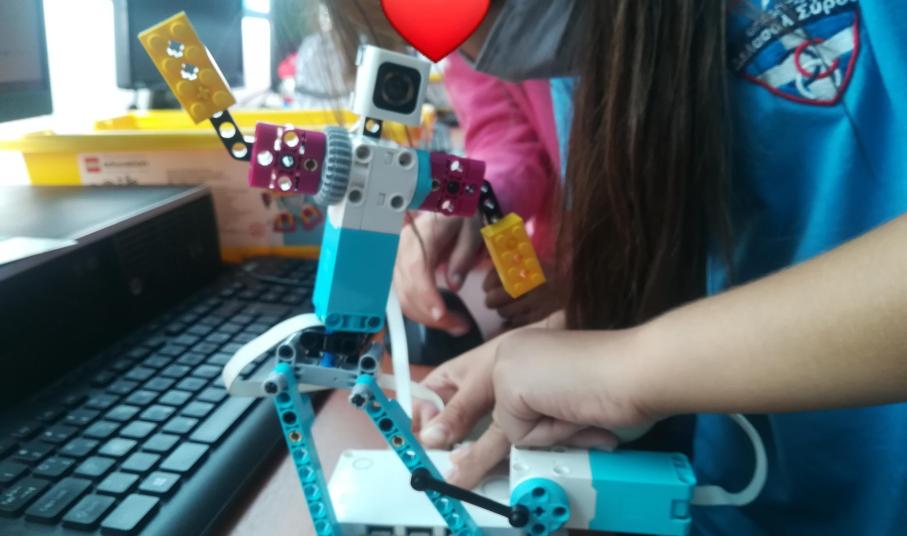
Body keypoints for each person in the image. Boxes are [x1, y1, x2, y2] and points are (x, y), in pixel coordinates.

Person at [406, 1, 907, 534]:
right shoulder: (600, 44)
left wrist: (629, 366)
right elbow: (685, 252)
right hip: (745, 481)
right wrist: (589, 333)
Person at [321, 0, 564, 335]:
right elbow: (504, 134)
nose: (465, 50)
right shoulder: (465, 36)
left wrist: (593, 287)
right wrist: (475, 200)